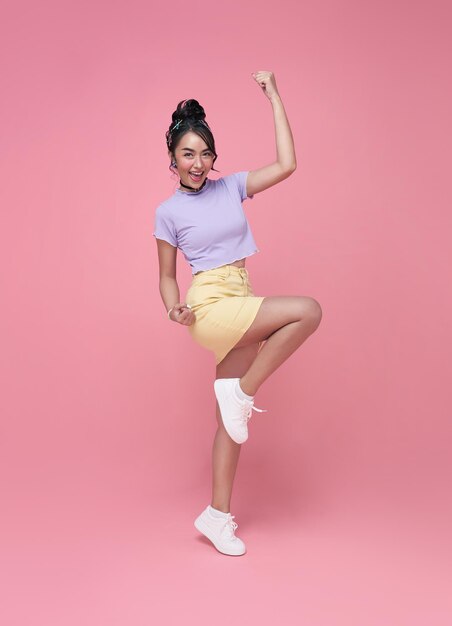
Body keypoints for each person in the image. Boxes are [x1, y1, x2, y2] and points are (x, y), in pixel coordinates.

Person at [153, 71, 322, 557]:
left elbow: (287, 164)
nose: (199, 163)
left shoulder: (231, 187)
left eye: (205, 153)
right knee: (307, 311)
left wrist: (275, 97)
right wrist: (174, 308)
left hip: (241, 295)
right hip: (209, 304)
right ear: (173, 159)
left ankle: (217, 516)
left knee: (229, 423)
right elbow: (167, 275)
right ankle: (243, 392)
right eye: (188, 154)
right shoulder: (167, 212)